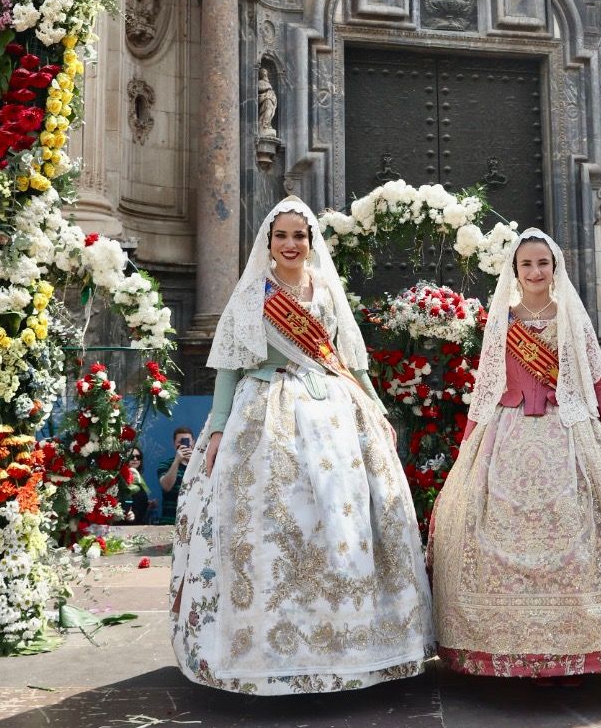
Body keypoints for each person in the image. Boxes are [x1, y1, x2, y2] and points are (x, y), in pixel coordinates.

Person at [170, 198, 434, 695]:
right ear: (268, 242)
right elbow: (229, 365)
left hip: (333, 408)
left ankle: (354, 647)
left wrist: (374, 407)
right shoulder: (252, 294)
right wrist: (221, 426)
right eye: (282, 235)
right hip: (265, 409)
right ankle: (265, 648)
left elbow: (349, 361)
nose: (291, 244)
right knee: (271, 520)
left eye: (300, 235)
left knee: (344, 518)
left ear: (311, 243)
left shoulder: (327, 293)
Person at [429, 229, 601, 677]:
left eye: (543, 263)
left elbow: (598, 383)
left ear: (554, 267)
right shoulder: (501, 318)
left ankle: (594, 640)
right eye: (527, 265)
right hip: (508, 433)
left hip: (570, 430)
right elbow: (486, 388)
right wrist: (467, 447)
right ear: (515, 271)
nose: (535, 271)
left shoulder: (571, 317)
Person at [157, 426, 194, 523]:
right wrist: (177, 461)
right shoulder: (165, 465)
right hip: (170, 522)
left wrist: (193, 462)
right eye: (180, 442)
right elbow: (166, 486)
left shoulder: (200, 465)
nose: (185, 445)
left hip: (191, 523)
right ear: (174, 445)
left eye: (187, 441)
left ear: (193, 443)